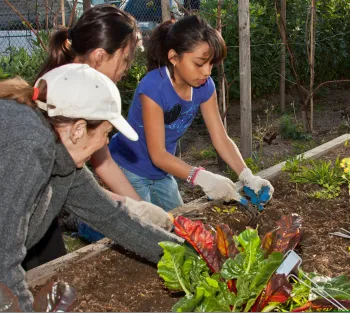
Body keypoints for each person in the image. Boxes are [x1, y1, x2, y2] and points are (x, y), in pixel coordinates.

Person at [0, 63, 180, 312]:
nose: (105, 143)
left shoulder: (62, 155)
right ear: (79, 129)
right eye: (106, 133)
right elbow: (2, 260)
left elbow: (112, 218)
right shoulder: (29, 147)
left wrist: (188, 256)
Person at [22, 4, 162, 266]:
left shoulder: (90, 102)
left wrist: (136, 209)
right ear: (99, 56)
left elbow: (97, 168)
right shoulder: (60, 104)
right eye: (125, 60)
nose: (126, 70)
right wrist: (129, 208)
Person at [107, 15, 274, 211]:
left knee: (180, 228)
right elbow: (158, 154)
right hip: (129, 169)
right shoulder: (154, 87)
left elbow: (220, 138)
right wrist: (201, 177)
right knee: (141, 228)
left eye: (211, 64)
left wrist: (247, 176)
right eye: (199, 64)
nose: (207, 72)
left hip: (162, 172)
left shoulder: (205, 86)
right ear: (173, 58)